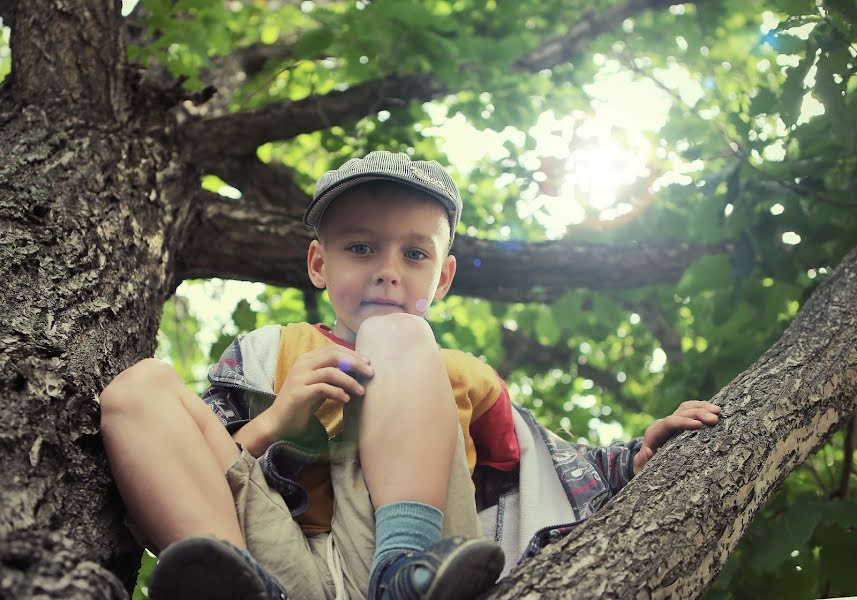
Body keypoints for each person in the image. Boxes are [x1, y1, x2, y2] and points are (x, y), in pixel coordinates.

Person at [99, 151, 721, 600]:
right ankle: (233, 589)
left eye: (415, 253)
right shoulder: (267, 354)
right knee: (138, 388)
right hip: (275, 564)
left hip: (423, 566)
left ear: (443, 278)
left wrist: (638, 458)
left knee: (397, 334)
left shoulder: (454, 377)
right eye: (361, 248)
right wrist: (274, 421)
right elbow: (192, 461)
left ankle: (403, 566)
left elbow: (554, 466)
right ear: (319, 263)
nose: (388, 271)